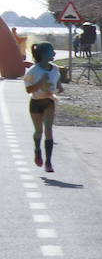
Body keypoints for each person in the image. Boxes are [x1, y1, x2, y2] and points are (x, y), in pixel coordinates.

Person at [24, 42, 62, 173]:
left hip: (49, 102)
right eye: (51, 51)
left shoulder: (55, 69)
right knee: (39, 131)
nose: (54, 53)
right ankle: (37, 150)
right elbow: (28, 90)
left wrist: (58, 88)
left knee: (49, 131)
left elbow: (58, 83)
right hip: (36, 103)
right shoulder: (33, 71)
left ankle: (48, 162)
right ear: (43, 54)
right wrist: (41, 82)